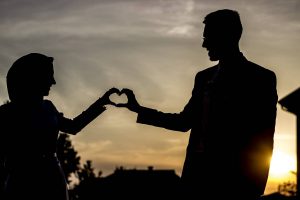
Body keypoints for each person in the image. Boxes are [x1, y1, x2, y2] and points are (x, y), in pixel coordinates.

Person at [117, 9, 278, 200]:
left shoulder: (260, 78)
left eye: (208, 37)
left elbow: (264, 136)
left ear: (227, 36)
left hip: (234, 185)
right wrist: (138, 109)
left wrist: (255, 187)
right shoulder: (203, 78)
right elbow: (184, 122)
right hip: (195, 182)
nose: (204, 44)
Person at [0, 53, 119, 200]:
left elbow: (74, 126)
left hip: (53, 179)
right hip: (23, 182)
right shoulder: (7, 114)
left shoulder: (48, 108)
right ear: (34, 78)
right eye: (49, 75)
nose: (53, 81)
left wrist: (102, 102)